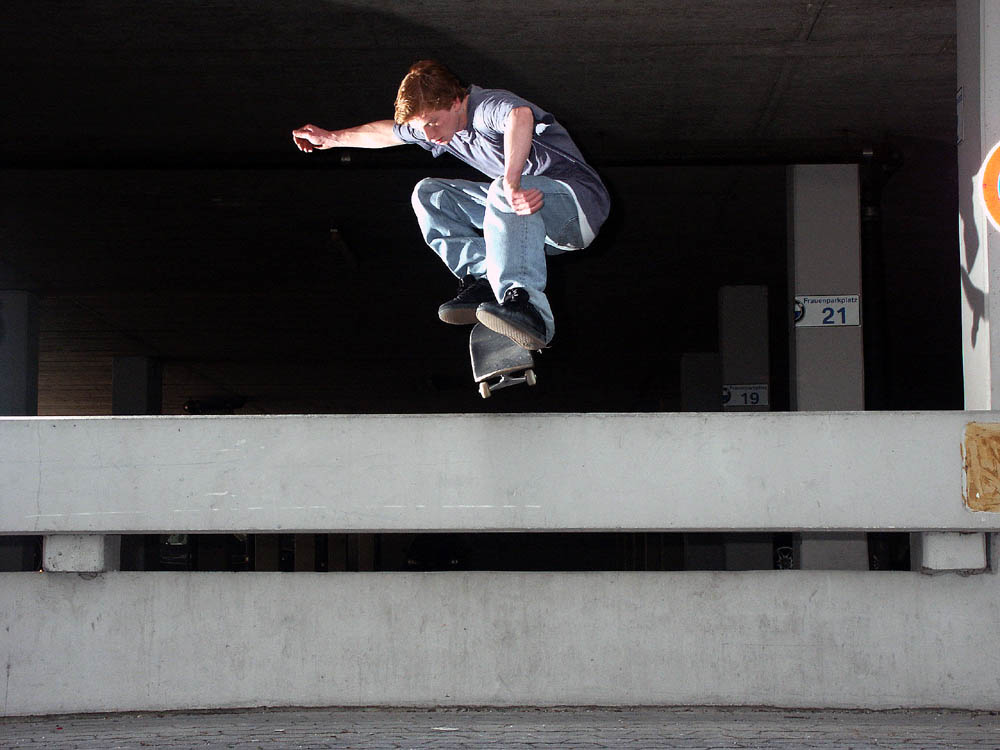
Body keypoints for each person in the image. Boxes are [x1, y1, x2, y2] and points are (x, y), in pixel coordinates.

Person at [292, 60, 610, 350]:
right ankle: (484, 280)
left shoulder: (485, 106)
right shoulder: (433, 128)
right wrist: (332, 138)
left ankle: (528, 308)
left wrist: (513, 181)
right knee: (429, 194)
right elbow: (386, 132)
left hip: (574, 206)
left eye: (433, 123)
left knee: (502, 189)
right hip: (530, 221)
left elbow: (519, 116)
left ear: (456, 101)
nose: (430, 135)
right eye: (420, 129)